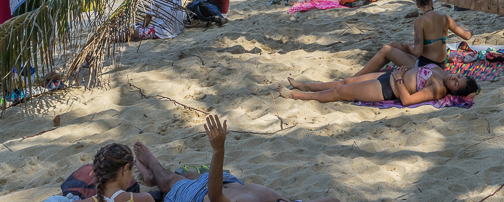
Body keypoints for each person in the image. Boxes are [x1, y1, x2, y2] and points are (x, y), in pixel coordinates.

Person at [128, 116, 339, 202]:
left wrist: (218, 151)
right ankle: (154, 174)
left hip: (203, 196)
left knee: (170, 181)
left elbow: (216, 195)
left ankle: (152, 172)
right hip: (230, 182)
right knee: (192, 173)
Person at [354, 0, 473, 74]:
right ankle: (371, 70)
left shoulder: (420, 21)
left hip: (427, 67)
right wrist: (471, 31)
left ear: (417, 5)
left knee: (386, 49)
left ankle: (358, 76)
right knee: (392, 44)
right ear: (431, 2)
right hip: (441, 65)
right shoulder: (445, 17)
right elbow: (466, 36)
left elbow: (417, 52)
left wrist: (408, 47)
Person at [281, 63, 478, 105]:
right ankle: (305, 85)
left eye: (455, 84)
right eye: (457, 77)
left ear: (453, 91)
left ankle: (298, 96)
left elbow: (408, 100)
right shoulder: (442, 72)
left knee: (340, 91)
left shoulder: (437, 89)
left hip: (386, 88)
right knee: (345, 81)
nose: (453, 79)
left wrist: (400, 78)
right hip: (388, 76)